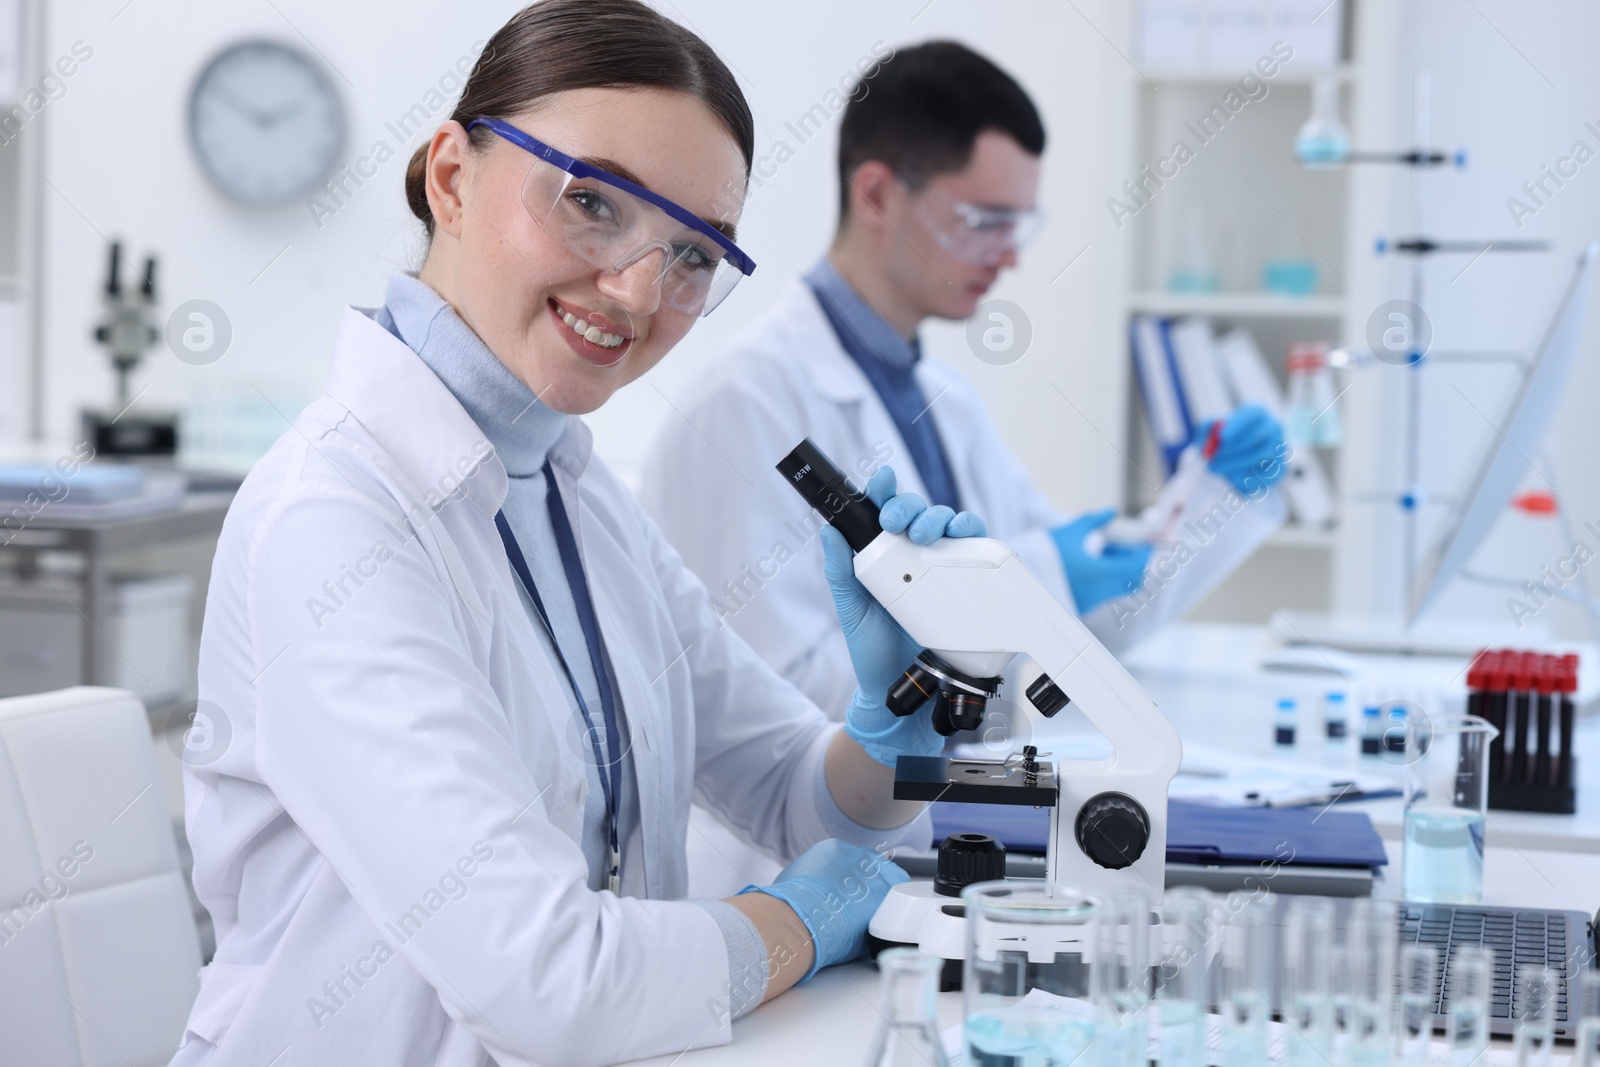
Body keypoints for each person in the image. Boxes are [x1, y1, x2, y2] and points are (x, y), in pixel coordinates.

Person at [169, 5, 988, 1064]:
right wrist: (796, 923)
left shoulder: (577, 496)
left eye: (692, 254)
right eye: (591, 202)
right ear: (452, 178)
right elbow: (549, 981)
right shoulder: (331, 521)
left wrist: (889, 737)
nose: (638, 290)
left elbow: (784, 782)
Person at [639, 41, 1288, 721]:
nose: (1009, 256)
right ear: (878, 194)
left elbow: (1086, 629)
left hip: (937, 812)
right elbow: (762, 706)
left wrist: (1207, 498)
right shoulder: (743, 404)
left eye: (1020, 226)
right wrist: (1035, 579)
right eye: (984, 222)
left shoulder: (947, 400)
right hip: (810, 829)